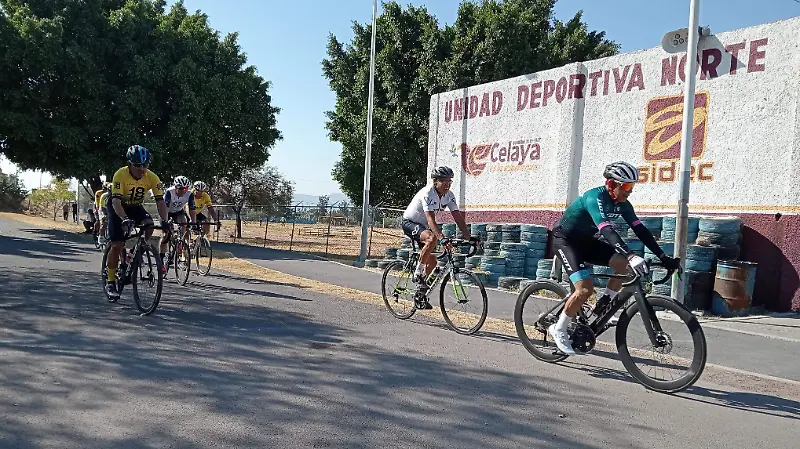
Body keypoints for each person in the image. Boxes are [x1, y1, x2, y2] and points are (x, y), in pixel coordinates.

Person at [547, 161, 680, 355]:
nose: (630, 191)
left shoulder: (623, 205)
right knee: (584, 289)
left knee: (625, 266)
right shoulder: (595, 198)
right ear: (611, 184)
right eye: (626, 186)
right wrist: (631, 254)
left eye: (632, 186)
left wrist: (662, 255)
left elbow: (641, 230)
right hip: (565, 242)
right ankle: (558, 328)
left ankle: (603, 306)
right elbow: (607, 231)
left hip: (587, 242)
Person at [400, 166, 476, 309]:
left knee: (433, 263)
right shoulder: (428, 193)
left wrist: (469, 237)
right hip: (410, 222)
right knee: (431, 239)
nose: (447, 185)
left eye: (450, 181)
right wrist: (441, 238)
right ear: (435, 182)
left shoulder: (449, 195)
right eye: (444, 181)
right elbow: (430, 219)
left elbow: (458, 218)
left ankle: (420, 294)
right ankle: (417, 274)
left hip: (424, 227)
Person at [105, 145, 170, 299]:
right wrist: (124, 219)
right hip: (118, 207)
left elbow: (160, 201)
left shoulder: (152, 177)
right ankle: (110, 281)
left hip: (135, 207)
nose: (142, 169)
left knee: (149, 225)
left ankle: (137, 251)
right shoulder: (120, 174)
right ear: (129, 164)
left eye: (145, 165)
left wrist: (165, 221)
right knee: (117, 245)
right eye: (138, 165)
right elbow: (116, 202)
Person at [158, 175, 198, 271]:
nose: (183, 191)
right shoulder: (169, 192)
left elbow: (192, 209)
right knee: (166, 235)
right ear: (175, 187)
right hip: (166, 212)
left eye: (185, 188)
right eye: (180, 188)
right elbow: (165, 209)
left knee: (184, 222)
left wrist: (194, 222)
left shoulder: (189, 194)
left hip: (178, 212)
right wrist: (166, 223)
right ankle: (161, 259)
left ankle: (180, 242)